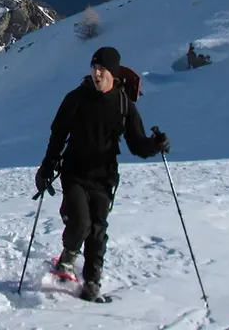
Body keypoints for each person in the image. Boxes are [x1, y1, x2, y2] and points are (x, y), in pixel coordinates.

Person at [35, 47, 170, 301]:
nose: (96, 73)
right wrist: (47, 166)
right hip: (74, 171)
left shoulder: (123, 104)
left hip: (104, 176)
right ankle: (68, 257)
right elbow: (58, 135)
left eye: (102, 69)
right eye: (93, 68)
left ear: (113, 73)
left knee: (97, 229)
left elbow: (137, 144)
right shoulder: (76, 98)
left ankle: (92, 282)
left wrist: (156, 144)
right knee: (81, 222)